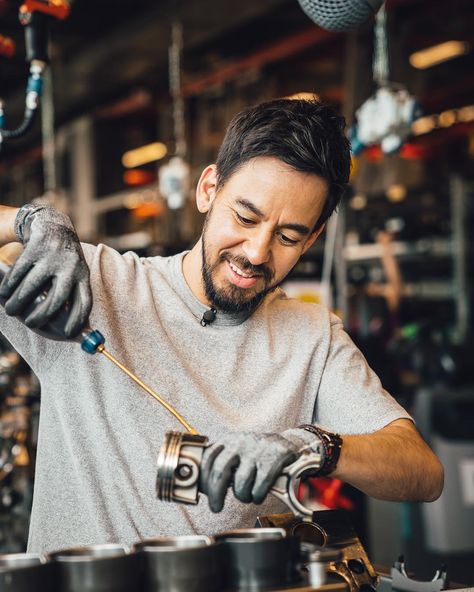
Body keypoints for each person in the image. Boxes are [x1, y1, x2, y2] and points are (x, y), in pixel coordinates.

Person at [0, 99, 443, 554]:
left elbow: (422, 472)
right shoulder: (94, 282)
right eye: (245, 217)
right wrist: (29, 221)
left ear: (312, 238)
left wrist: (311, 447)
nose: (256, 252)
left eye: (288, 236)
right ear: (209, 189)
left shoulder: (311, 335)